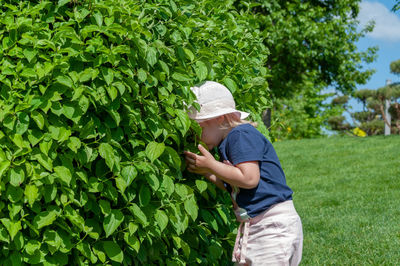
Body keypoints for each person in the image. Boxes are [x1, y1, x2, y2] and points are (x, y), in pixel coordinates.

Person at [184, 81, 303, 265]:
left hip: (271, 226)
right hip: (261, 225)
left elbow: (249, 179)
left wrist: (212, 164)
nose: (196, 136)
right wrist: (207, 171)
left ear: (220, 119)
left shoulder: (240, 135)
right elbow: (233, 184)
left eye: (200, 128)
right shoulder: (229, 142)